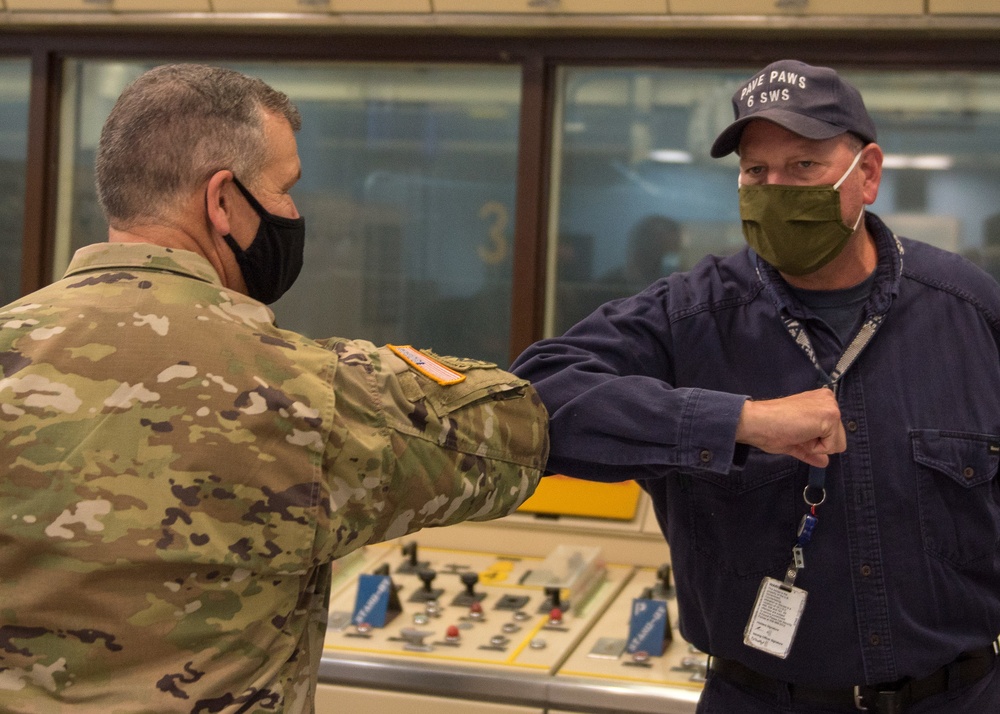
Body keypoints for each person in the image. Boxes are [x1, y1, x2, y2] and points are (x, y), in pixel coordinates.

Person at [0, 64, 548, 713]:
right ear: (222, 200)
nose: (293, 213)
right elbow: (517, 431)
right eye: (285, 188)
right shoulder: (295, 393)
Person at [512, 59, 1000, 713]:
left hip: (958, 696)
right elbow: (534, 398)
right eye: (756, 172)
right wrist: (738, 422)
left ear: (869, 175)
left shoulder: (968, 312)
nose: (776, 189)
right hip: (762, 698)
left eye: (803, 167)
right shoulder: (688, 317)